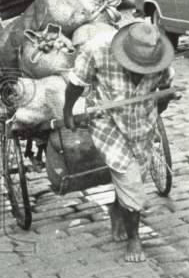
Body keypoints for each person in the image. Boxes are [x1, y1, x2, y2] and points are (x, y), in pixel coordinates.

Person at [63, 18, 175, 263]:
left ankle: (117, 207)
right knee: (129, 176)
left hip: (141, 122)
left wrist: (159, 109)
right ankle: (134, 238)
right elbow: (75, 83)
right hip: (107, 120)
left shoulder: (161, 59)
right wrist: (68, 112)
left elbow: (164, 90)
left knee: (136, 175)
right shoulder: (97, 49)